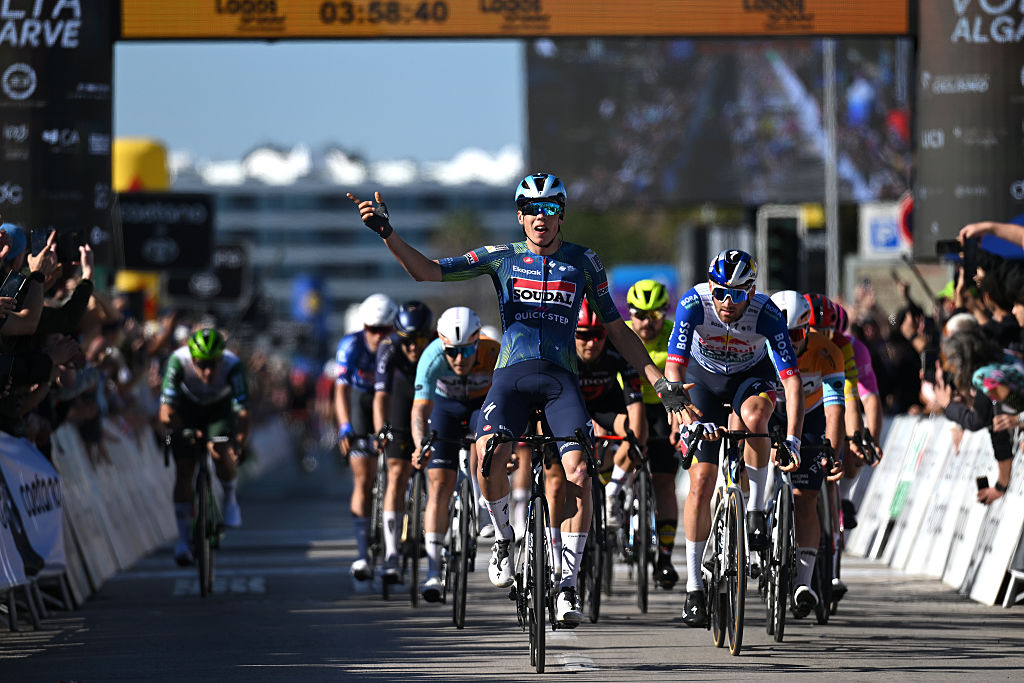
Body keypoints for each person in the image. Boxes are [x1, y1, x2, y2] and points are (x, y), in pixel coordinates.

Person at [347, 173, 695, 628]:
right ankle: (505, 538)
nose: (540, 218)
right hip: (510, 377)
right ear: (519, 215)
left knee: (579, 470)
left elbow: (617, 331)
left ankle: (567, 584)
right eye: (531, 209)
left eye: (550, 209)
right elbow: (428, 270)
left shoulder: (584, 262)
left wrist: (662, 386)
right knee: (485, 453)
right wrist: (387, 234)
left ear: (561, 215)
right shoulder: (501, 257)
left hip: (560, 382)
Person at [664, 249, 803, 627]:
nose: (727, 302)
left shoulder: (768, 314)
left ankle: (755, 510)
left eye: (738, 295)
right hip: (703, 380)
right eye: (721, 293)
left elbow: (791, 382)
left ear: (752, 292)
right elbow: (674, 367)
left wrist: (793, 439)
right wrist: (685, 417)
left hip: (749, 379)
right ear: (711, 288)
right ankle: (694, 587)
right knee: (701, 483)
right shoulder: (693, 303)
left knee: (757, 417)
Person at [409, 306, 499, 602]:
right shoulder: (432, 355)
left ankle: (486, 510)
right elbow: (420, 410)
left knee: (488, 448)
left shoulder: (493, 352)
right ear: (441, 343)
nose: (459, 359)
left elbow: (510, 399)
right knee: (439, 485)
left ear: (478, 340)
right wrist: (421, 444)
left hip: (480, 406)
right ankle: (433, 571)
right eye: (452, 352)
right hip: (445, 408)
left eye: (466, 351)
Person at [769, 291, 845, 618]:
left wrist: (831, 450)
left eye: (797, 336)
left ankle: (804, 583)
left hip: (810, 417)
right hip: (772, 413)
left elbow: (835, 411)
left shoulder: (828, 352)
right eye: (782, 337)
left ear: (808, 329)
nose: (789, 344)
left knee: (806, 498)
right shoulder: (760, 347)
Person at [160, 328, 250, 566]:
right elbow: (166, 412)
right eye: (201, 365)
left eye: (214, 364)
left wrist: (238, 445)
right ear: (192, 359)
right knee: (184, 470)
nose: (208, 371)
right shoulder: (178, 361)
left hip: (219, 408)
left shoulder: (234, 366)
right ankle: (182, 540)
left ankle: (230, 498)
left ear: (223, 358)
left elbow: (243, 414)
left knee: (221, 450)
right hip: (187, 409)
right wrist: (182, 431)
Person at [335, 292, 398, 581]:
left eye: (384, 330)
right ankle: (362, 554)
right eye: (372, 330)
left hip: (392, 400)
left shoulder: (400, 345)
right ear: (364, 328)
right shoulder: (350, 345)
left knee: (398, 473)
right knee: (363, 478)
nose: (377, 337)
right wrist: (346, 426)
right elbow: (341, 391)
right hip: (361, 401)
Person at [624, 279, 681, 588]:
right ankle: (614, 511)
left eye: (654, 315)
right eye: (639, 315)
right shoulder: (621, 334)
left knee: (664, 480)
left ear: (664, 313)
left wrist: (679, 415)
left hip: (663, 410)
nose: (646, 322)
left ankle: (665, 556)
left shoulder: (674, 333)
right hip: (625, 405)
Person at [373, 300, 434, 584]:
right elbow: (380, 396)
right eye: (407, 341)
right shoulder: (388, 347)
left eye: (419, 340)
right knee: (396, 473)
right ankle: (392, 554)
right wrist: (381, 430)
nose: (413, 348)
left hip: (429, 400)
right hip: (400, 398)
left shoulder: (437, 345)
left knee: (437, 473)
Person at [575, 297, 647, 528]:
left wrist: (635, 438)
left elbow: (634, 400)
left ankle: (612, 492)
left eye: (598, 335)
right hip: (573, 406)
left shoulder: (617, 348)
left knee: (637, 432)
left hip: (607, 404)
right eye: (584, 335)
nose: (591, 343)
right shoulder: (562, 349)